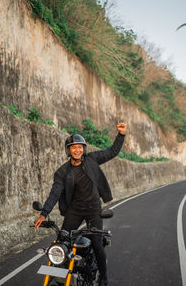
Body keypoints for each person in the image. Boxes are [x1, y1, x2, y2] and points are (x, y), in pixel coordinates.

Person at [35, 122, 127, 286]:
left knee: (97, 244)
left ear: (84, 149)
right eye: (73, 147)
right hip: (75, 210)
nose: (77, 150)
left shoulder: (92, 159)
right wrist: (44, 213)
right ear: (68, 150)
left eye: (80, 147)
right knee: (63, 241)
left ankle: (104, 277)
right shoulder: (62, 172)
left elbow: (112, 152)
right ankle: (63, 272)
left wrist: (121, 135)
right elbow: (55, 193)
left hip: (93, 209)